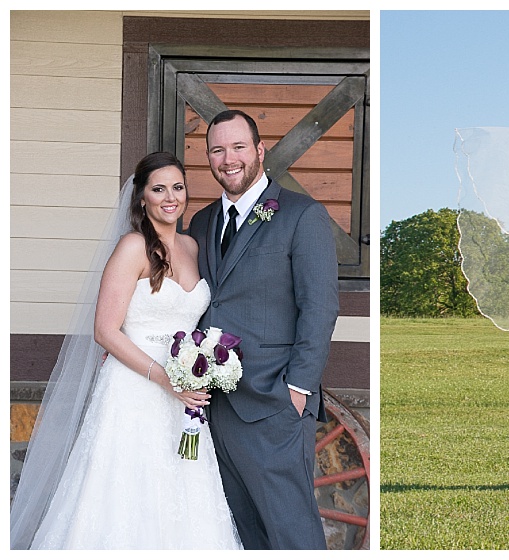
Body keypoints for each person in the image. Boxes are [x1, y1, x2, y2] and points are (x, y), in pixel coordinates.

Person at [10, 152, 242, 549]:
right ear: (141, 198)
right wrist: (164, 377)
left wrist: (199, 367)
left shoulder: (192, 246)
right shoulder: (133, 247)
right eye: (159, 189)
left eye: (178, 187)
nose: (170, 197)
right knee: (125, 495)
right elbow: (105, 330)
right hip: (133, 391)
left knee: (183, 496)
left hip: (184, 396)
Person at [187, 109, 339, 549]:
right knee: (241, 533)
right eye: (217, 149)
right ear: (209, 157)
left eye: (238, 147)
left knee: (290, 532)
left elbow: (320, 307)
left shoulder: (301, 214)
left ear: (259, 150)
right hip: (214, 405)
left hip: (274, 401)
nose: (228, 158)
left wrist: (298, 390)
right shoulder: (201, 224)